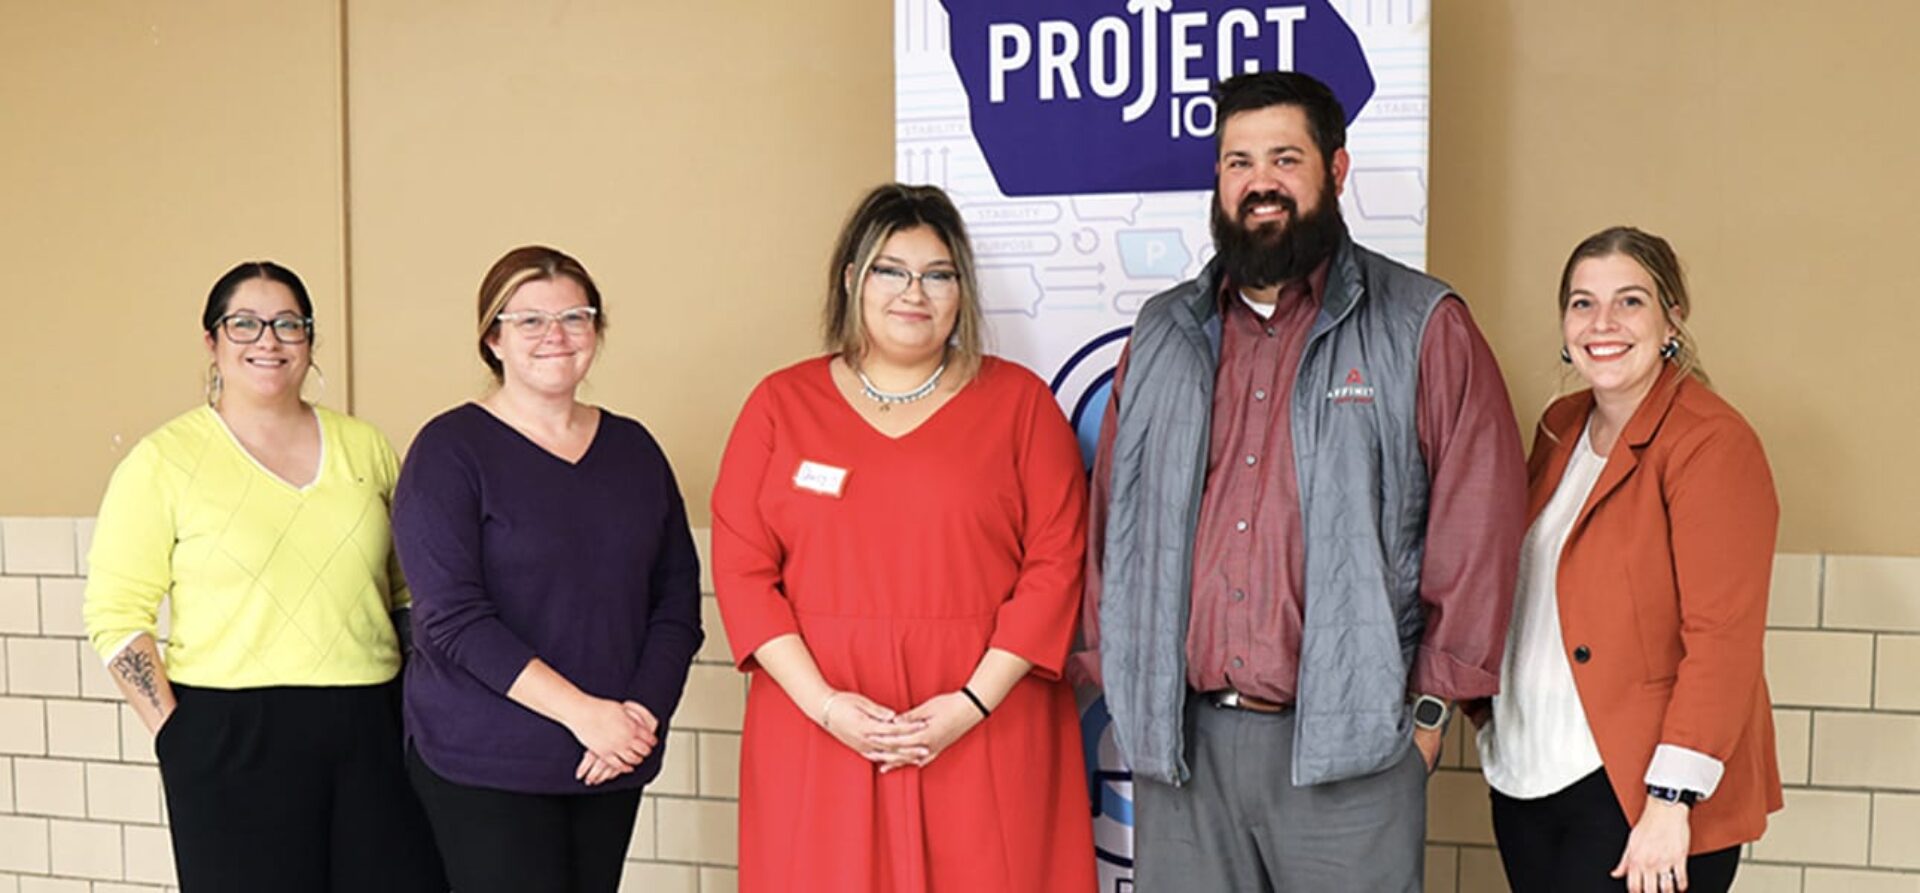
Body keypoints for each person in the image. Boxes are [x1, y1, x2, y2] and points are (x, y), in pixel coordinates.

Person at [1078, 70, 1529, 891]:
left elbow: (1478, 524)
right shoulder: (1164, 331)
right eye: (1238, 162)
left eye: (1285, 159)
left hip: (1352, 759)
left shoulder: (1422, 324)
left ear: (1336, 169)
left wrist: (1429, 714)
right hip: (1186, 754)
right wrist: (1125, 676)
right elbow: (1117, 516)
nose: (1261, 183)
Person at [711, 183, 1096, 892]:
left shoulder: (1021, 404)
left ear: (961, 290)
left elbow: (1057, 563)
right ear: (852, 279)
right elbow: (741, 570)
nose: (913, 292)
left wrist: (970, 704)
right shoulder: (779, 405)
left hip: (985, 719)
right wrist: (826, 704)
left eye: (938, 274)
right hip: (818, 723)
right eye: (890, 270)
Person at [81, 261, 446, 892]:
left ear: (310, 338)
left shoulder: (366, 447)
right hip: (229, 733)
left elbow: (405, 590)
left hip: (371, 724)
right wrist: (176, 735)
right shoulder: (163, 461)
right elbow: (115, 612)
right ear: (212, 341)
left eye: (287, 324)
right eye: (245, 324)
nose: (268, 341)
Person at [1475, 227, 1782, 893]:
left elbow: (1724, 640)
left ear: (1672, 318)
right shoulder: (1560, 426)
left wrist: (1672, 800)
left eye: (1630, 301)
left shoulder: (1710, 443)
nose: (1603, 323)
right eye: (1582, 303)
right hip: (1530, 779)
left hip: (1638, 796)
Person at [392, 245, 703, 893]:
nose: (554, 335)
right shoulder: (449, 451)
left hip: (610, 756)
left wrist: (637, 717)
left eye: (574, 317)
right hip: (486, 760)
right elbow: (453, 620)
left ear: (596, 331)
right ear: (493, 338)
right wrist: (585, 714)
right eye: (529, 320)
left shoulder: (634, 449)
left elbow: (676, 601)